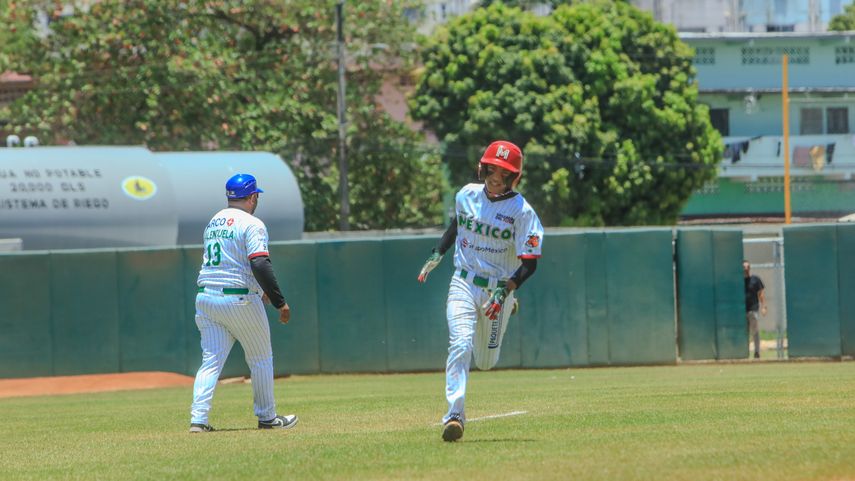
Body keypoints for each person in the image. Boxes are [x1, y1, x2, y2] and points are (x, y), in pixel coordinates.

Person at [417, 140, 543, 442]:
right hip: (463, 280)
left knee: (486, 361)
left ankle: (511, 304)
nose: (495, 177)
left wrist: (506, 291)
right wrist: (438, 253)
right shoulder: (466, 194)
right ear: (482, 167)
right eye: (491, 169)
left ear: (515, 177)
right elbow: (456, 225)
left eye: (504, 172)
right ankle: (455, 415)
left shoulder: (522, 212)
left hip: (498, 290)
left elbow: (530, 264)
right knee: (460, 344)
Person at [189, 173, 297, 432]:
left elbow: (232, 261)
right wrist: (279, 301)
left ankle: (198, 420)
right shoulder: (252, 223)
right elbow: (259, 261)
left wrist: (259, 289)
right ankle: (267, 417)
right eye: (255, 195)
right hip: (238, 300)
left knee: (211, 361)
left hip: (206, 297)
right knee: (260, 357)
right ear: (252, 196)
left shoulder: (214, 221)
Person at [743, 260, 767, 359]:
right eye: (744, 267)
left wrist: (764, 307)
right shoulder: (738, 280)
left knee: (755, 331)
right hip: (742, 310)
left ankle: (757, 352)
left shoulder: (755, 279)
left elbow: (761, 294)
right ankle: (744, 353)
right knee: (744, 333)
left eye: (747, 267)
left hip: (753, 309)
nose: (746, 269)